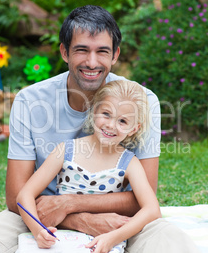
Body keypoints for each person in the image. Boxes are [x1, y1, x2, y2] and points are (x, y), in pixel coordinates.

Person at [0, 5, 200, 253]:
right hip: (38, 216)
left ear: (116, 54)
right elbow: (16, 198)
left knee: (168, 240)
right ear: (64, 52)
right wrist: (79, 220)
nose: (92, 62)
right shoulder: (29, 101)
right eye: (82, 50)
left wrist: (70, 205)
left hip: (119, 222)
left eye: (102, 51)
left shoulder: (142, 101)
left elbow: (144, 199)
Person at [17, 80, 161, 252]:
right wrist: (38, 230)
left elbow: (152, 210)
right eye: (106, 114)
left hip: (105, 240)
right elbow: (25, 194)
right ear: (94, 111)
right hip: (59, 237)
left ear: (133, 129)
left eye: (122, 121)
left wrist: (113, 237)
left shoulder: (129, 163)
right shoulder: (66, 150)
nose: (110, 125)